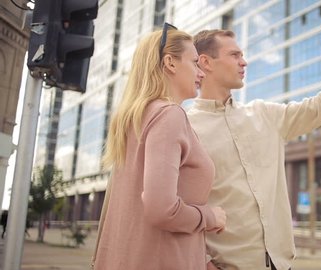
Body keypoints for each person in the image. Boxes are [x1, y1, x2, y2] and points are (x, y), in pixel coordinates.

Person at [187, 16, 321, 270]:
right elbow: (179, 206)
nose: (244, 61)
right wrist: (202, 262)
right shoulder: (186, 128)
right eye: (235, 55)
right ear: (205, 62)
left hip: (282, 265)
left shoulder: (265, 115)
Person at [92, 23, 226, 270]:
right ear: (171, 63)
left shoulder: (133, 119)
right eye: (195, 62)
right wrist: (210, 216)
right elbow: (162, 210)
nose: (201, 73)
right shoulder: (169, 116)